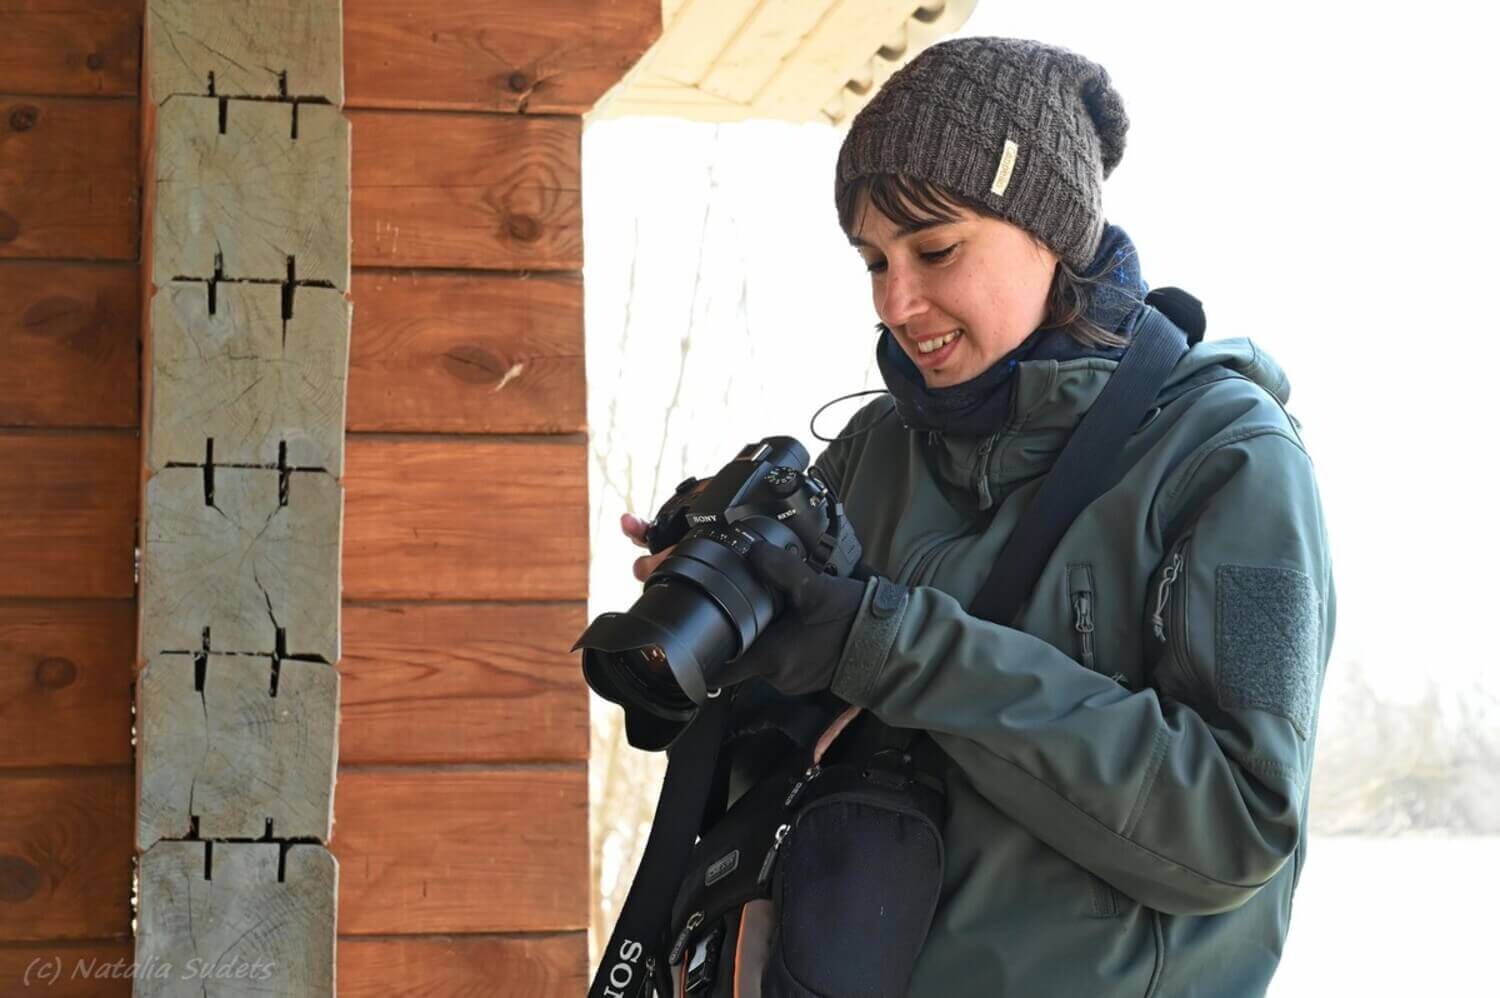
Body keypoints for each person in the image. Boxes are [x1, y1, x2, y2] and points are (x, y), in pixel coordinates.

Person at [621, 36, 1334, 997]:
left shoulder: (1228, 455)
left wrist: (886, 645)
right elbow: (809, 746)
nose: (897, 301)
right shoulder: (875, 448)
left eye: (936, 250)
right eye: (874, 261)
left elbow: (1235, 827)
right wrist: (722, 622)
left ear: (1053, 230)